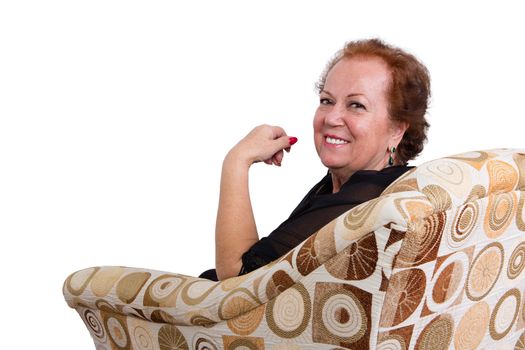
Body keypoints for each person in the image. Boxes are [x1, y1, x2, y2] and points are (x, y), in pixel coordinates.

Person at [200, 38, 431, 281]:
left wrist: (237, 161)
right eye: (326, 101)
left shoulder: (363, 200)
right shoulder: (355, 185)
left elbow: (238, 278)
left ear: (397, 129)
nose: (332, 117)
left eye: (356, 105)